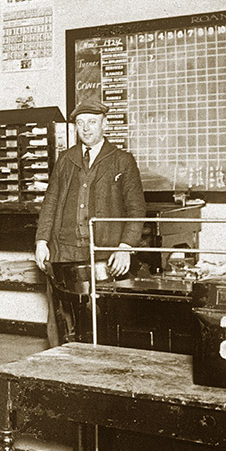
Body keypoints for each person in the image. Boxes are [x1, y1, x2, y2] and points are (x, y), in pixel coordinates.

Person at [35, 97, 145, 345]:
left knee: (102, 325)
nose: (85, 128)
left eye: (92, 122)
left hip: (104, 256)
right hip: (64, 253)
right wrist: (42, 241)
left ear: (104, 124)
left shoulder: (122, 160)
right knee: (66, 324)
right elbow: (50, 203)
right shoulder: (65, 160)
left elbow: (136, 208)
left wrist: (125, 247)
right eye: (80, 123)